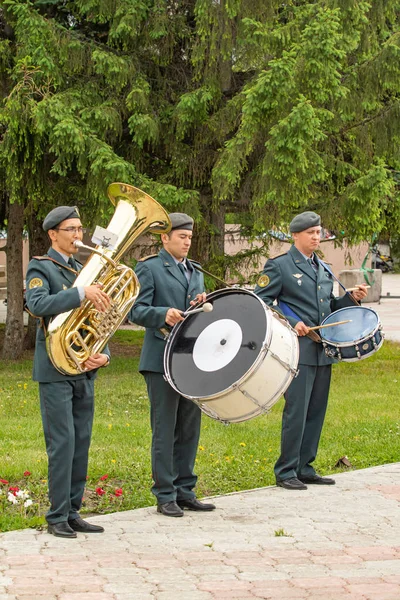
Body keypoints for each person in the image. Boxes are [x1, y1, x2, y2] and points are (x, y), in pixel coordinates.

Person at [255, 211, 368, 490]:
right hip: (297, 350)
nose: (316, 237)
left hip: (322, 351)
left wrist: (349, 299)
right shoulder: (280, 266)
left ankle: (305, 467)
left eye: (319, 232)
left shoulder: (324, 267)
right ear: (295, 236)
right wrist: (293, 323)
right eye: (310, 233)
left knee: (316, 411)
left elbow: (328, 310)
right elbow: (261, 301)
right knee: (297, 410)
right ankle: (286, 471)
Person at [25, 206, 111, 538]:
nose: (79, 235)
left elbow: (101, 320)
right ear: (53, 234)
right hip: (54, 369)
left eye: (80, 228)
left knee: (82, 443)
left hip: (83, 369)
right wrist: (79, 293)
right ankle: (56, 515)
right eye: (71, 229)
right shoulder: (41, 266)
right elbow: (37, 305)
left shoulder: (84, 269)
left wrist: (102, 355)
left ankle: (73, 511)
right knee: (63, 443)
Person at [129, 213, 216, 517]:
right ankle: (165, 494)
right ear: (164, 238)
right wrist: (162, 313)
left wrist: (202, 304)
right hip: (160, 359)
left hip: (191, 359)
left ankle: (185, 490)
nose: (187, 242)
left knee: (189, 428)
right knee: (165, 429)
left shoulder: (195, 271)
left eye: (190, 237)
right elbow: (136, 310)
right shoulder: (150, 268)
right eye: (181, 237)